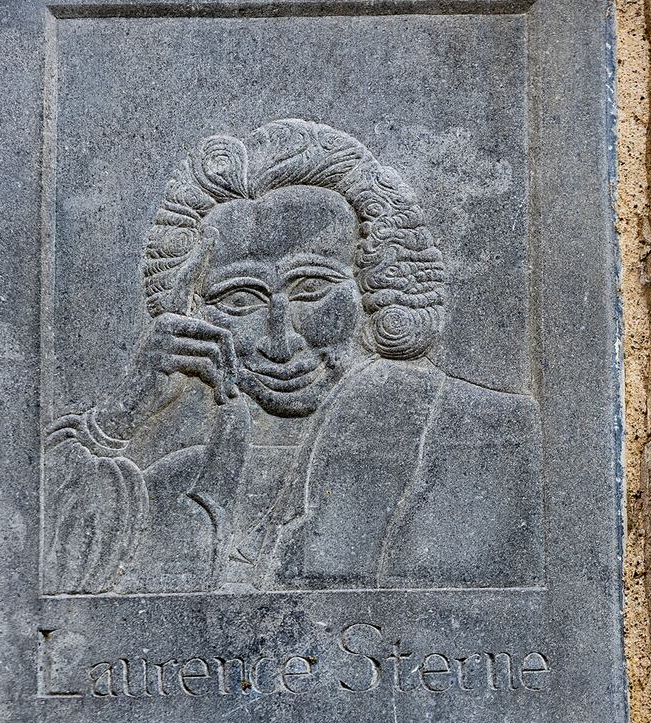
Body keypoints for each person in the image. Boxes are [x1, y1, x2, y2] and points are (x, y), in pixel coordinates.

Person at [44, 119, 544, 595]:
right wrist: (119, 417)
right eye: (241, 300)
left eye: (312, 288)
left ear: (376, 287)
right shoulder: (172, 486)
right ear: (194, 320)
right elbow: (24, 588)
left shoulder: (494, 438)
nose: (280, 340)